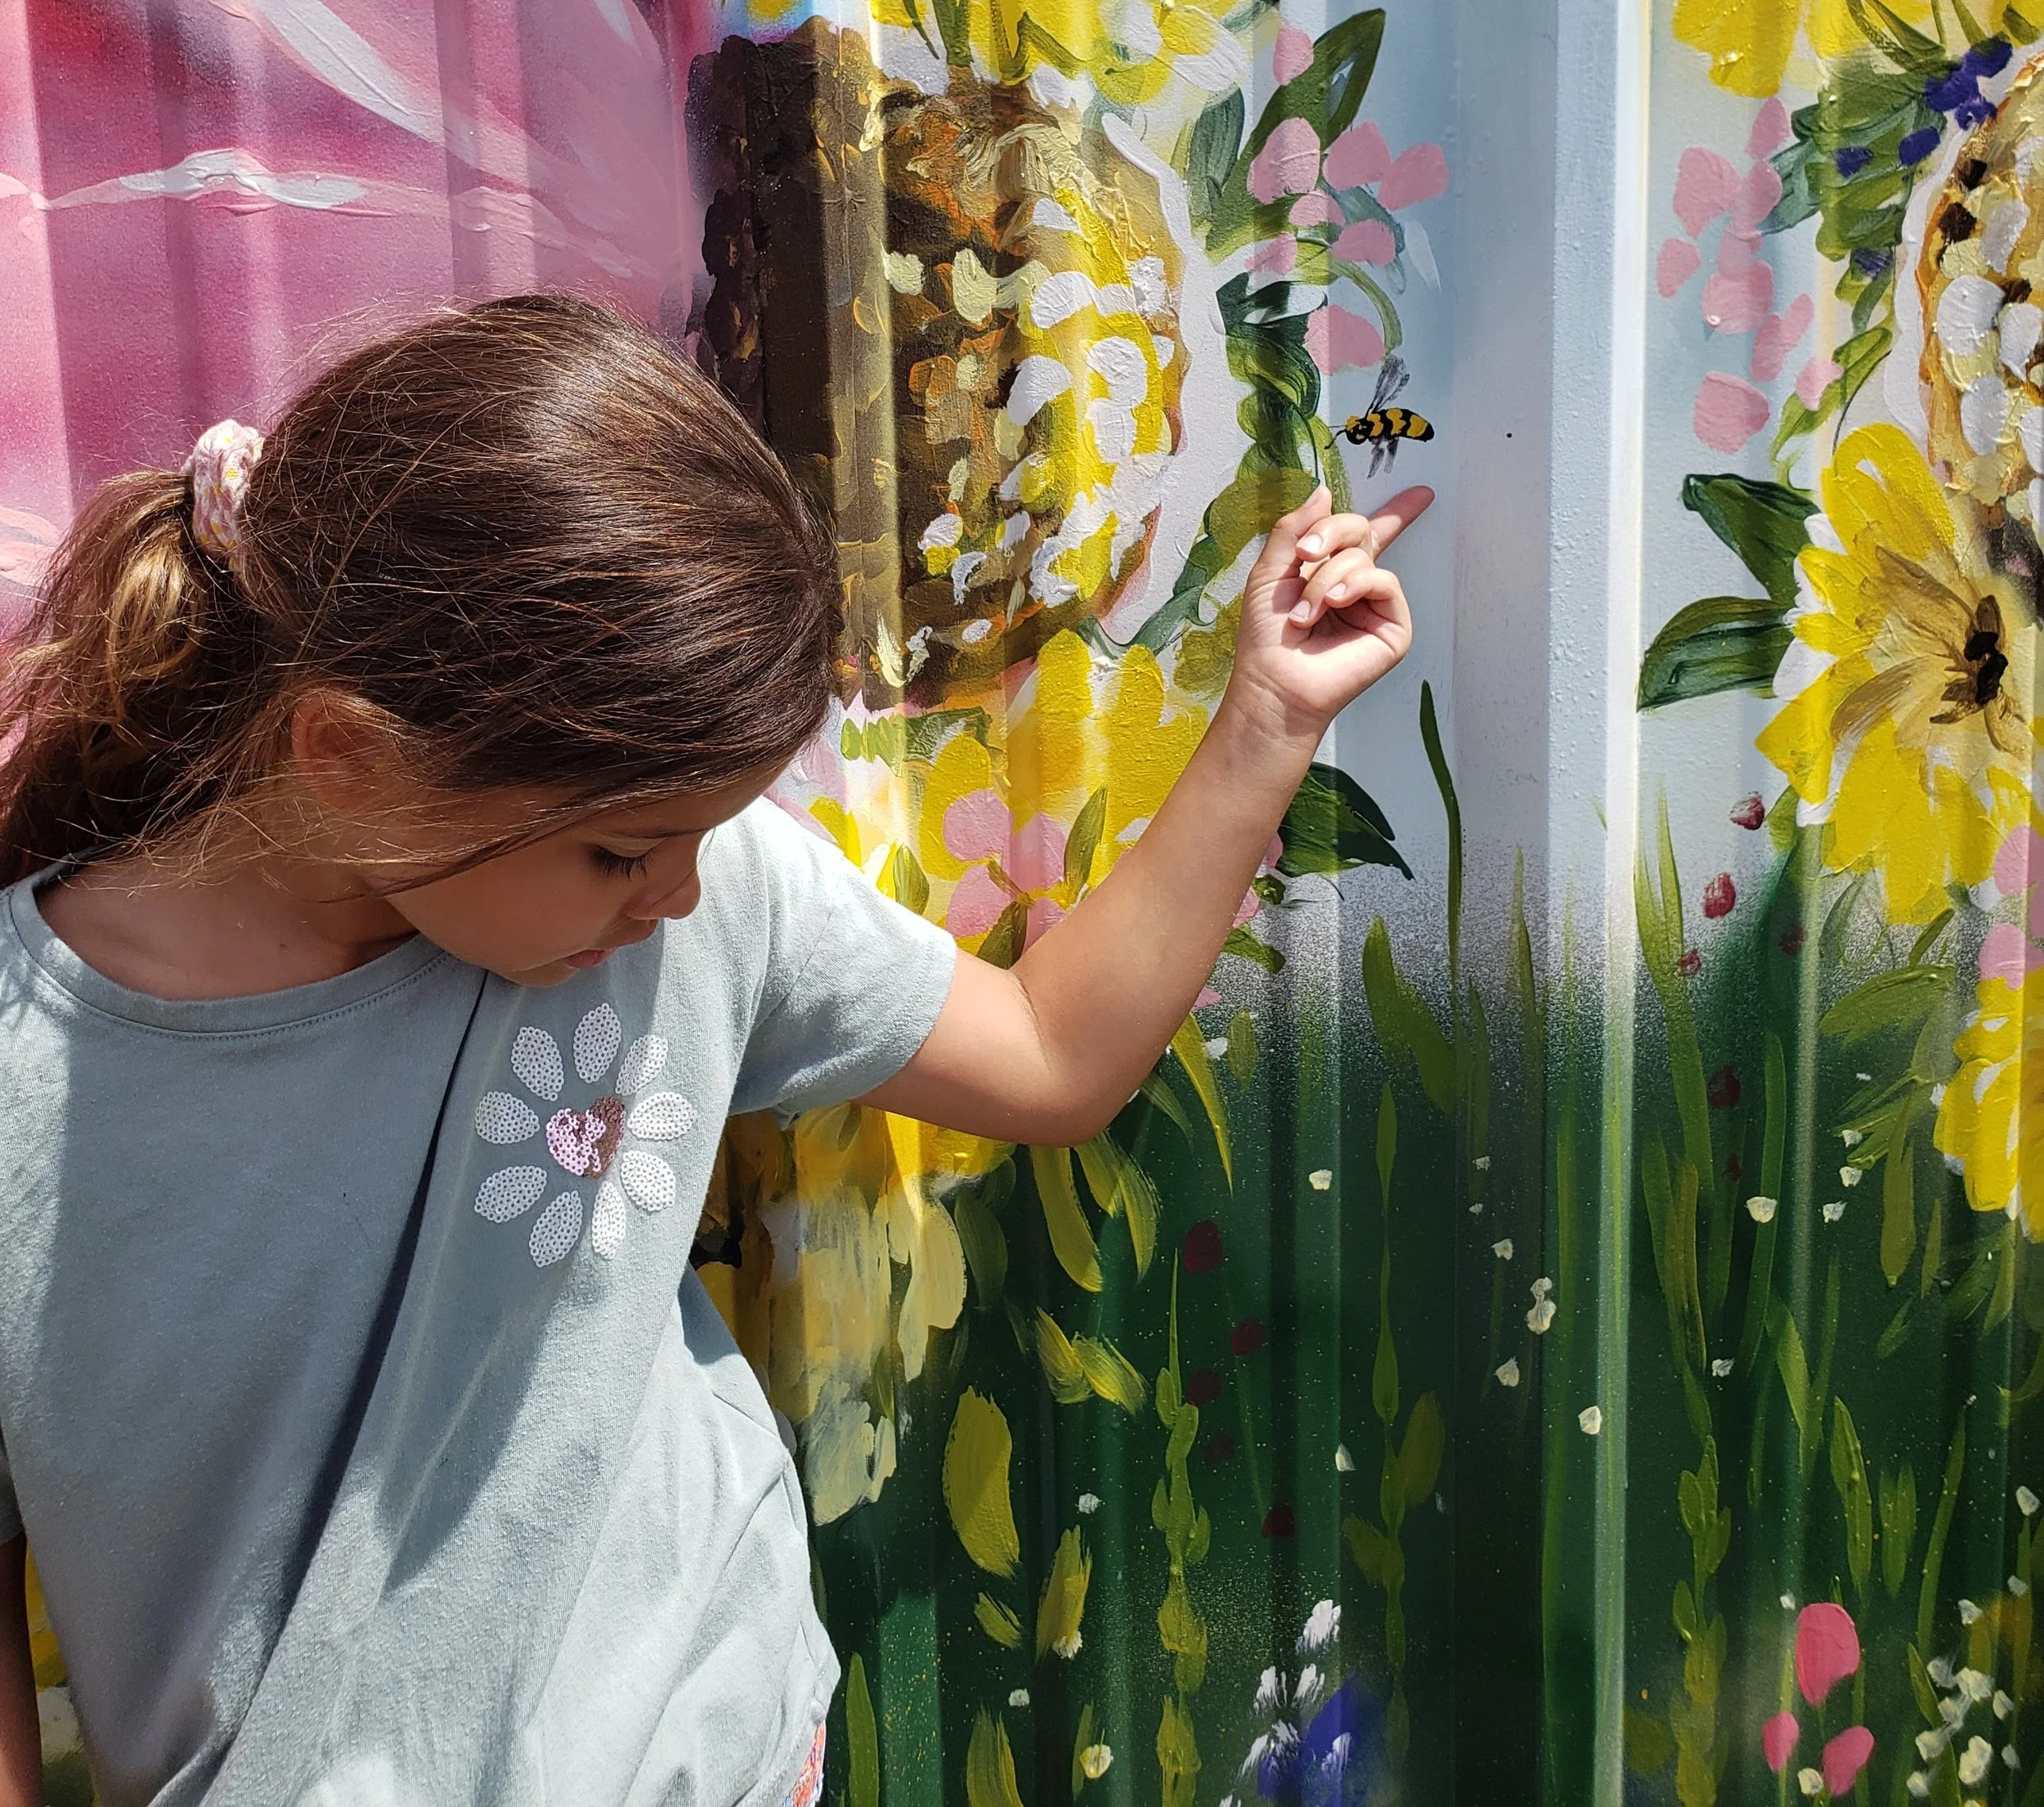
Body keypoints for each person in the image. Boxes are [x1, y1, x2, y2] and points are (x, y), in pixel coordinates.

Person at [0, 295, 1428, 1807]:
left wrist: (1265, 718)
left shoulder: (688, 885)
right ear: (351, 755)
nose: (680, 892)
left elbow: (1052, 1056)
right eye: (626, 851)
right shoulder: (28, 1083)